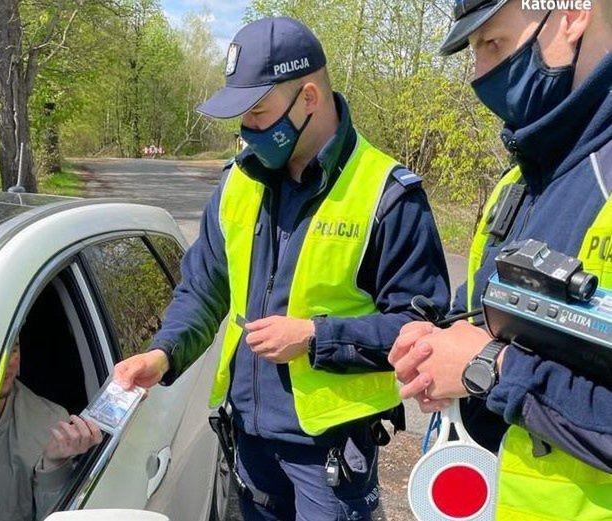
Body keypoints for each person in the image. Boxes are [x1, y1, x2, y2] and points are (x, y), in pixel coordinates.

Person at [114, 17, 450, 521]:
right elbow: (204, 289)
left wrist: (315, 337)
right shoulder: (237, 184)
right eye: (242, 118)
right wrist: (163, 354)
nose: (247, 131)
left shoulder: (389, 194)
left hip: (331, 456)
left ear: (309, 98)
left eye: (259, 114)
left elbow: (422, 329)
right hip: (247, 442)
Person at [389, 1, 612, 519]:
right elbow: (482, 320)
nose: (479, 75)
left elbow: (493, 359)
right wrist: (436, 342)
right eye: (473, 52)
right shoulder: (518, 183)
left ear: (572, 14)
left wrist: (487, 367)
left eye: (493, 44)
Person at [0, 338, 103, 521]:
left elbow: (56, 515)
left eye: (13, 349)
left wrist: (53, 465)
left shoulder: (51, 425)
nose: (6, 362)